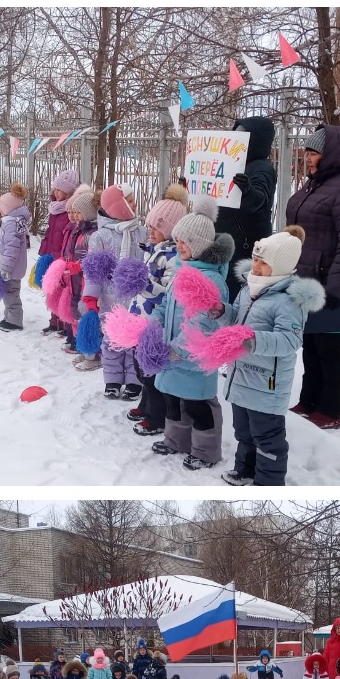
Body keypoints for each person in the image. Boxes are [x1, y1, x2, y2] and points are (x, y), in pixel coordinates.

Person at [208, 226, 324, 487]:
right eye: (256, 261)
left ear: (281, 268)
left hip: (266, 384)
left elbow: (290, 340)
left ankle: (269, 482)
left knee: (267, 436)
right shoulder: (248, 289)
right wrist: (220, 312)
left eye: (263, 264)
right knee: (243, 431)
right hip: (241, 376)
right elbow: (236, 319)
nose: (256, 268)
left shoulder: (288, 300)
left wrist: (252, 341)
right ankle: (245, 469)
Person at [284, 124, 340, 429]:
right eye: (307, 152)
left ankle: (331, 410)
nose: (308, 158)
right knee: (311, 344)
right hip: (307, 281)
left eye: (315, 152)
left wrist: (336, 287)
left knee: (330, 349)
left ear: (332, 154)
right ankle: (309, 401)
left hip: (335, 285)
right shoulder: (314, 185)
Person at [150, 200, 232, 470]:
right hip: (170, 350)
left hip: (194, 356)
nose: (179, 246)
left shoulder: (212, 281)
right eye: (177, 240)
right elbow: (166, 305)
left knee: (199, 406)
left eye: (184, 242)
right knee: (173, 400)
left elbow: (204, 323)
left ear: (199, 245)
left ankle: (206, 450)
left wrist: (180, 347)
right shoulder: (182, 270)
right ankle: (176, 440)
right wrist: (152, 325)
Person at [127, 184, 189, 436]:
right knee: (141, 366)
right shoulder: (154, 250)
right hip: (142, 316)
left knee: (152, 371)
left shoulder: (173, 258)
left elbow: (166, 290)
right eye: (150, 226)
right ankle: (145, 404)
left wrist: (140, 280)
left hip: (156, 320)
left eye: (157, 228)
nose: (150, 231)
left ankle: (156, 416)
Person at [80, 182, 149, 393]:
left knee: (133, 340)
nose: (134, 204)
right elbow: (94, 271)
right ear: (118, 206)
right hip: (110, 297)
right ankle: (112, 380)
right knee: (111, 340)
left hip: (136, 297)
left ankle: (134, 381)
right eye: (129, 201)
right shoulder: (101, 237)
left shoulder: (142, 233)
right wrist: (91, 298)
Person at [215, 115, 277, 303]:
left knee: (234, 298)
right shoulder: (233, 163)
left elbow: (260, 201)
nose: (237, 140)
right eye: (235, 135)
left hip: (243, 246)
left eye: (242, 136)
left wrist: (248, 190)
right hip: (224, 241)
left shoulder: (262, 168)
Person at [38, 168, 81, 336]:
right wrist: (44, 251)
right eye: (54, 189)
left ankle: (64, 322)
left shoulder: (70, 212)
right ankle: (54, 320)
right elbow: (50, 233)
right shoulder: (54, 209)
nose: (55, 193)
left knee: (64, 289)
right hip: (52, 254)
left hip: (63, 256)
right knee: (53, 289)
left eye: (59, 190)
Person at [58, 185, 100, 356]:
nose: (75, 216)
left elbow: (90, 257)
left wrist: (77, 266)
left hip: (84, 281)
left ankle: (88, 349)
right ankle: (79, 344)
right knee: (75, 312)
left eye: (79, 212)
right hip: (74, 280)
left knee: (83, 313)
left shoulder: (92, 234)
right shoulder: (78, 230)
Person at [0, 183, 31, 333]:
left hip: (10, 268)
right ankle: (9, 317)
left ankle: (15, 322)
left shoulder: (12, 225)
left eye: (1, 206)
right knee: (9, 294)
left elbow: (12, 249)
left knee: (11, 294)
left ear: (9, 208)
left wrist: (6, 268)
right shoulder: (11, 222)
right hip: (9, 267)